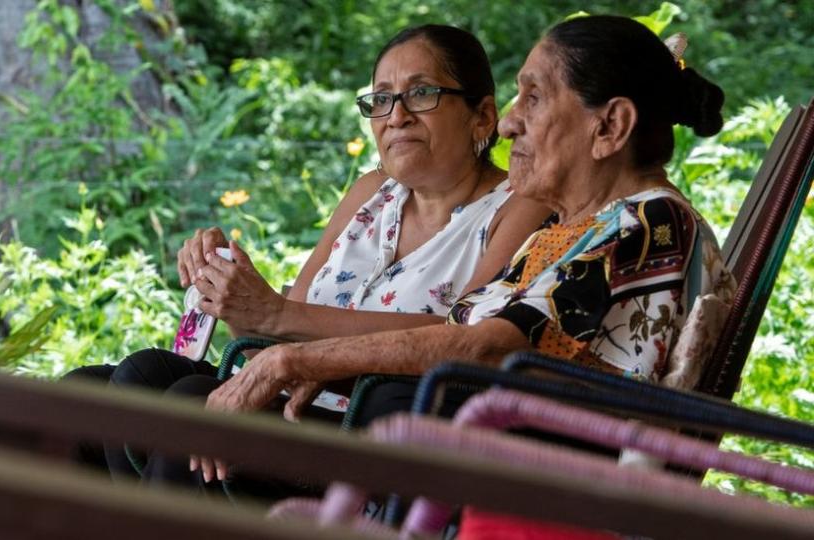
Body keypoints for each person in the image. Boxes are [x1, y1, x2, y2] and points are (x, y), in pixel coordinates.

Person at [193, 14, 736, 496]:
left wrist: (298, 357)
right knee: (180, 420)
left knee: (192, 446)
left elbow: (484, 352)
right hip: (458, 460)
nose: (508, 122)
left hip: (526, 487)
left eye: (534, 97)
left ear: (610, 126)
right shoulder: (580, 228)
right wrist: (327, 367)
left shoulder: (647, 221)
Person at [67, 24, 550, 481]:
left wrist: (277, 315)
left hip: (367, 426)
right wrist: (232, 292)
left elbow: (467, 336)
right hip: (290, 399)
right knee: (102, 389)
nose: (396, 115)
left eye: (421, 94)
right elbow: (271, 339)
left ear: (482, 116)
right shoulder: (371, 193)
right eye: (381, 99)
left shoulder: (517, 207)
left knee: (186, 405)